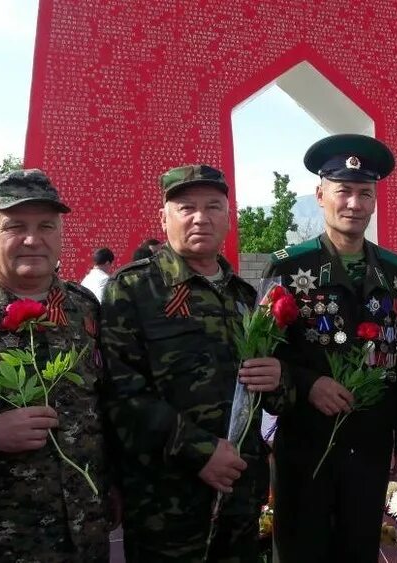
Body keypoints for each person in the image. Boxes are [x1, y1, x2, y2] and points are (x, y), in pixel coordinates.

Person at [102, 164, 287, 561]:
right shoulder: (133, 288)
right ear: (163, 218)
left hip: (240, 491)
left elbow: (266, 395)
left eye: (213, 207)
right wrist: (200, 450)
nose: (201, 217)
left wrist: (278, 378)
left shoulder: (244, 295)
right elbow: (121, 391)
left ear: (228, 217)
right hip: (166, 498)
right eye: (186, 207)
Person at [262, 134, 397, 563]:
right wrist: (309, 383)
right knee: (301, 549)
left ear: (374, 201)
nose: (353, 203)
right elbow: (263, 356)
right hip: (305, 442)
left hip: (369, 445)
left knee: (359, 549)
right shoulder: (288, 266)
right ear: (320, 195)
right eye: (343, 192)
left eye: (364, 193)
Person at [0, 169, 110, 560]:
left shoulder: (83, 307)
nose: (33, 239)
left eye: (46, 226)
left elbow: (101, 406)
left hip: (84, 537)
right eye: (15, 226)